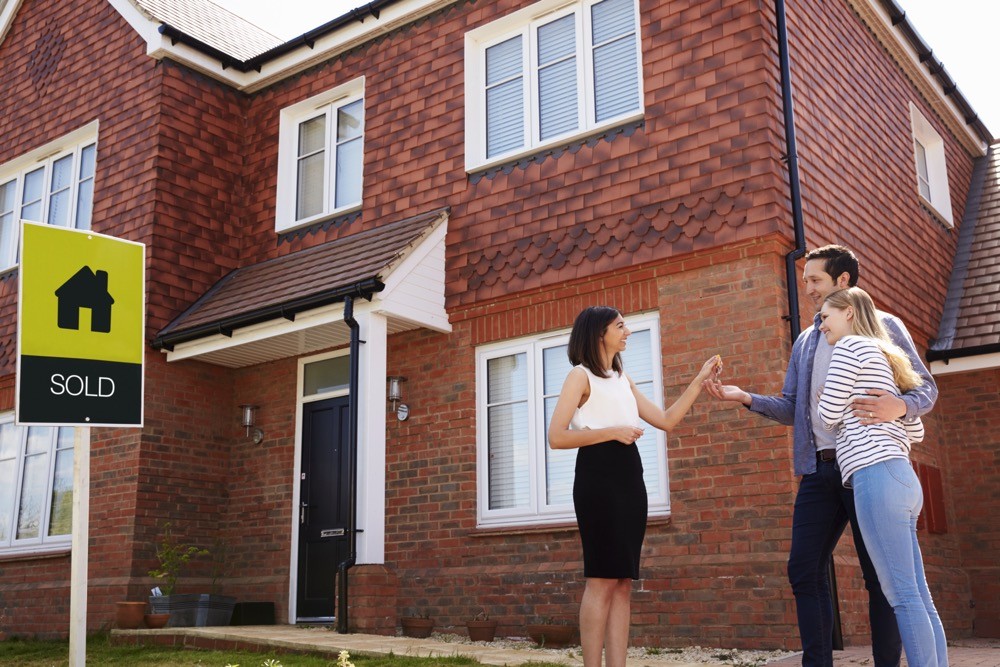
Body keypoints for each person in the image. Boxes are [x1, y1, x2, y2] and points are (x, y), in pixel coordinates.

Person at [702, 245, 937, 667]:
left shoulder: (883, 327)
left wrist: (897, 407)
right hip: (819, 469)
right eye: (804, 279)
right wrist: (747, 398)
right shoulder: (808, 340)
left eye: (814, 280)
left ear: (842, 281)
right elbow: (796, 405)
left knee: (880, 577)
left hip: (869, 466)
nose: (806, 288)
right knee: (804, 569)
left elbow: (925, 391)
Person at [548, 305, 721, 667]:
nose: (627, 332)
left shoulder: (622, 378)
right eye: (621, 326)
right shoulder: (579, 377)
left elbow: (666, 419)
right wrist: (612, 432)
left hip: (630, 477)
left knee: (623, 580)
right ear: (599, 333)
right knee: (601, 578)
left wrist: (699, 379)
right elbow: (556, 437)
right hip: (598, 476)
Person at [817, 287, 947, 667]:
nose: (821, 323)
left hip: (874, 477)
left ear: (849, 314)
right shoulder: (887, 356)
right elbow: (916, 430)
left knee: (902, 595)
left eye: (826, 315)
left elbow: (825, 416)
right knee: (919, 595)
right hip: (903, 478)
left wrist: (835, 403)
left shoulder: (848, 349)